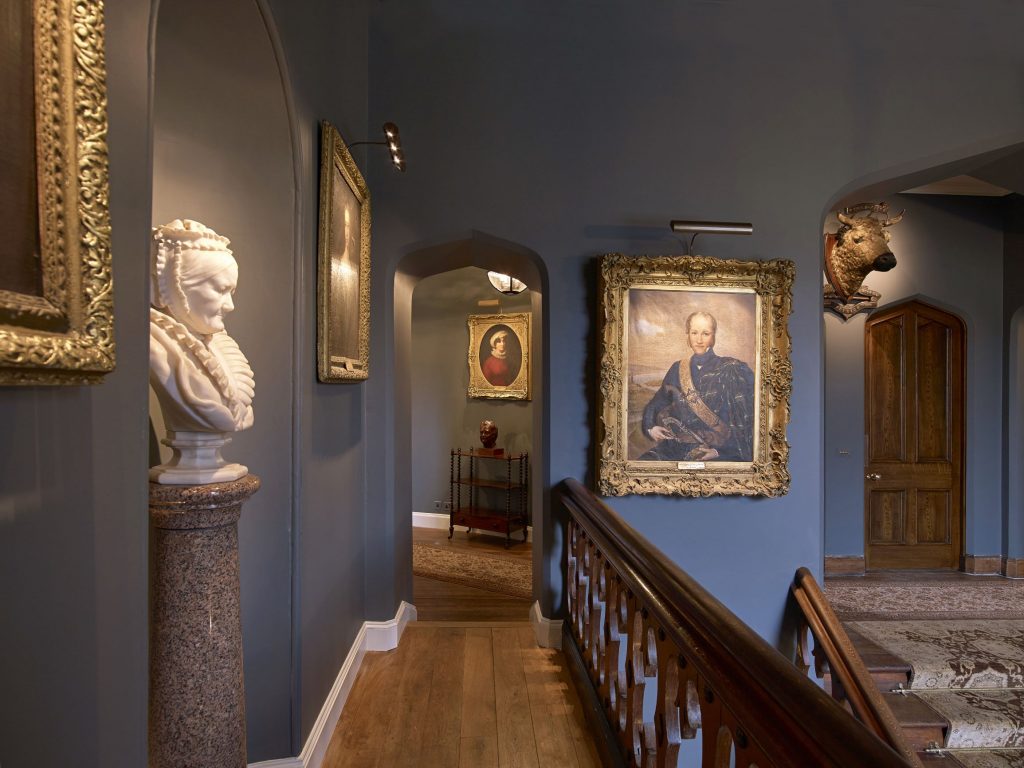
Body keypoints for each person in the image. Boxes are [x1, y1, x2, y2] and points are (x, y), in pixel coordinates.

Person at [149, 219, 255, 435]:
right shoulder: (153, 346)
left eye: (232, 292)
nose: (230, 306)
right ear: (178, 286)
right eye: (220, 290)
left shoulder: (218, 345)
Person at [640, 311, 754, 461]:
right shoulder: (677, 368)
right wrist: (651, 427)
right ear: (688, 335)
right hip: (674, 447)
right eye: (694, 333)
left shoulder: (732, 369)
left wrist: (719, 452)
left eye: (705, 334)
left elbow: (746, 422)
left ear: (713, 337)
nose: (699, 340)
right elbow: (657, 403)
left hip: (717, 451)